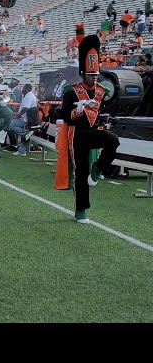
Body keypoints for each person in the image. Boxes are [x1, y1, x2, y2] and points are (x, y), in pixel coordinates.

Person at [58, 34, 120, 224]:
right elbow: (66, 115)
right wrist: (79, 108)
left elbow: (108, 104)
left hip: (92, 131)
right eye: (91, 75)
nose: (94, 78)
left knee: (113, 140)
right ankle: (80, 210)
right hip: (76, 135)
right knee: (80, 173)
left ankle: (99, 168)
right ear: (83, 74)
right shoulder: (72, 91)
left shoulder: (102, 90)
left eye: (96, 75)